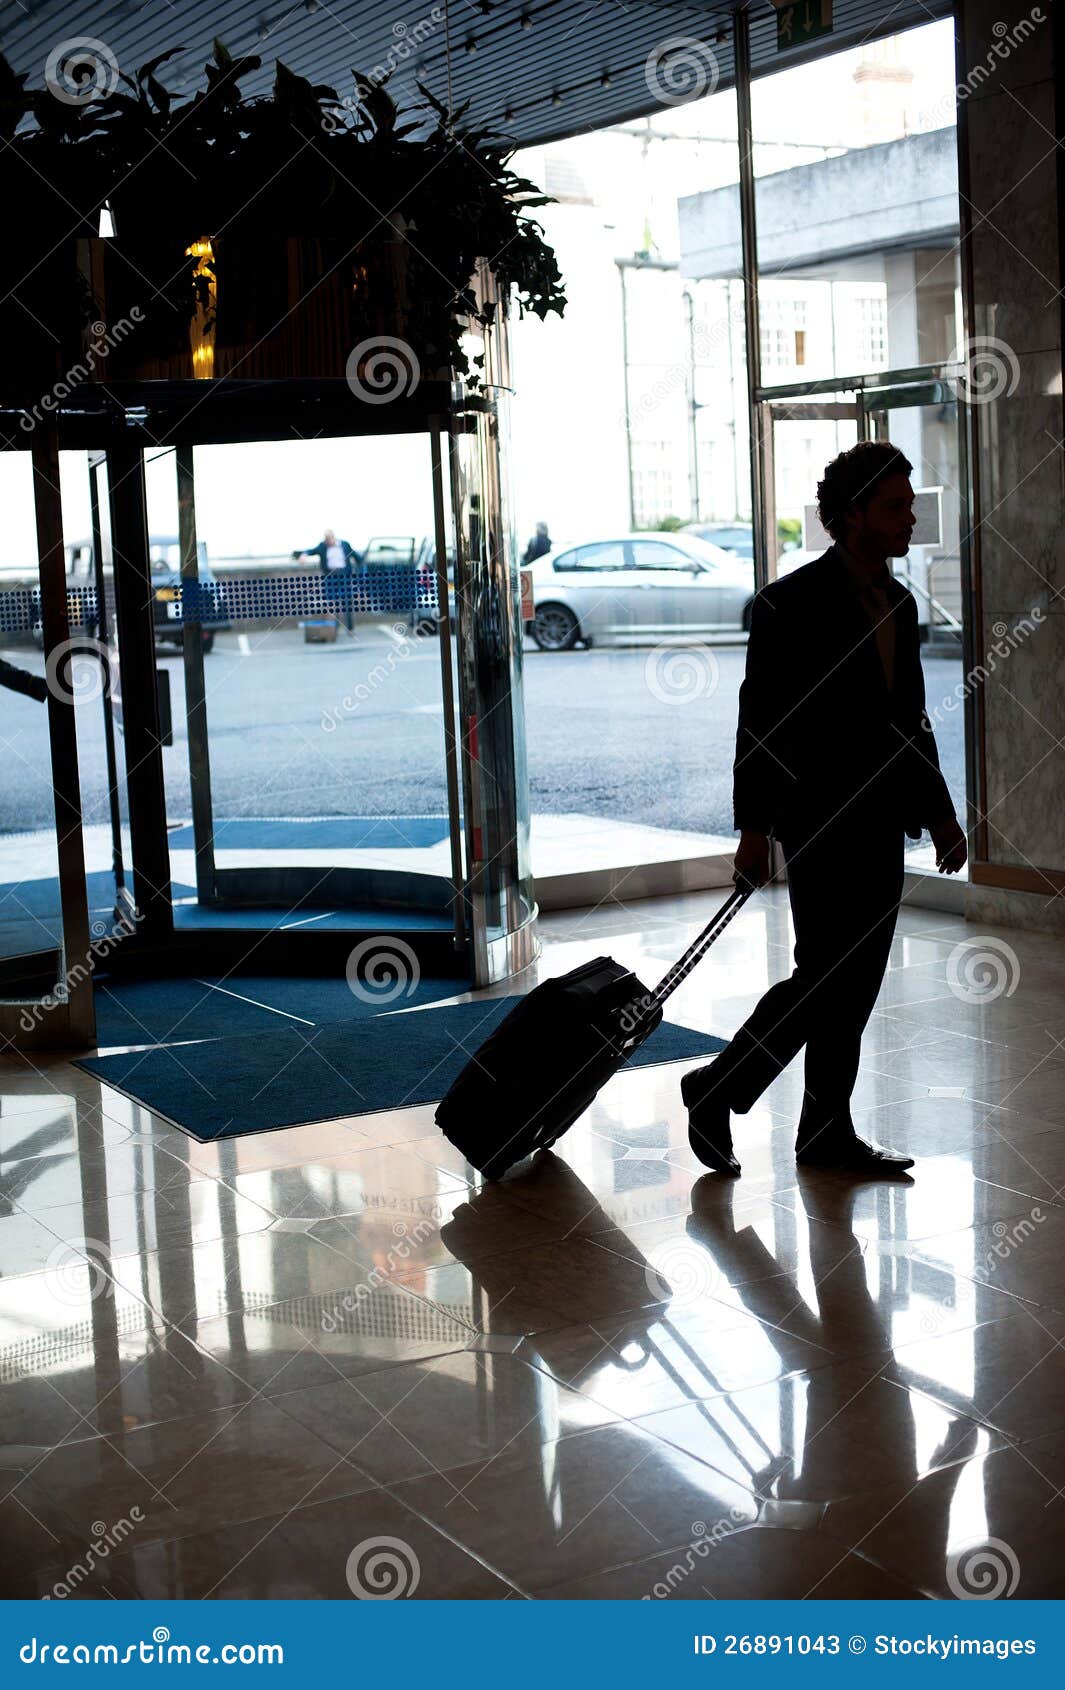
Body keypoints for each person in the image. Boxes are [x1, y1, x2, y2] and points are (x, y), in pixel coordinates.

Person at [682, 441, 966, 1179]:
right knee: (824, 975)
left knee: (855, 983)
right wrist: (752, 832)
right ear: (850, 516)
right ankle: (715, 1087)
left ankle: (823, 1133)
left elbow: (910, 721)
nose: (909, 520)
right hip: (817, 820)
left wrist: (939, 814)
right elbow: (762, 724)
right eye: (894, 507)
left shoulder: (899, 604)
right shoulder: (789, 603)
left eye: (908, 505)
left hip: (879, 824)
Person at [295, 529, 361, 635]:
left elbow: (356, 556)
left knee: (347, 603)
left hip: (344, 576)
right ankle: (334, 628)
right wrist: (304, 555)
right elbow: (311, 551)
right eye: (325, 539)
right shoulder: (322, 546)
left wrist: (361, 568)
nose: (327, 541)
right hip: (330, 577)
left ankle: (350, 629)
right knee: (332, 603)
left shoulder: (344, 545)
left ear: (333, 537)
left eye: (328, 539)